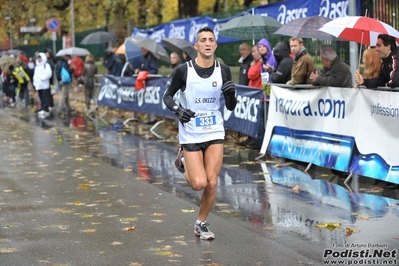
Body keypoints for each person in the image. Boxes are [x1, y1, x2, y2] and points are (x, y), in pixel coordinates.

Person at [162, 26, 237, 240]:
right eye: (202, 39)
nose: (206, 43)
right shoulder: (184, 70)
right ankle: (183, 157)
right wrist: (178, 110)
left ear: (215, 45)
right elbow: (167, 96)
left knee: (212, 183)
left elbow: (230, 105)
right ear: (196, 46)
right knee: (199, 184)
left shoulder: (223, 70)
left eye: (210, 39)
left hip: (214, 129)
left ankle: (201, 223)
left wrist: (231, 95)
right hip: (191, 131)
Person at [33, 53, 52, 119]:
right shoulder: (37, 67)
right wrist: (35, 83)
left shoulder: (46, 65)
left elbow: (49, 74)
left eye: (40, 58)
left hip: (44, 85)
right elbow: (35, 76)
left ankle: (45, 109)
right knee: (41, 97)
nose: (39, 59)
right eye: (38, 58)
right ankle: (42, 108)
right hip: (39, 85)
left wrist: (42, 78)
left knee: (45, 97)